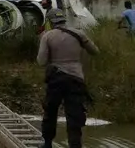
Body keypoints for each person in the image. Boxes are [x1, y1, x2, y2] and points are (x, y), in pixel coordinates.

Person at [37, 9, 99, 148]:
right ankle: (75, 145)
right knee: (74, 113)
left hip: (56, 79)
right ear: (64, 19)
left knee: (51, 111)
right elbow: (95, 51)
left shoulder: (47, 36)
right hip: (76, 79)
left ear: (50, 21)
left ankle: (47, 144)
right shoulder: (79, 33)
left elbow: (41, 61)